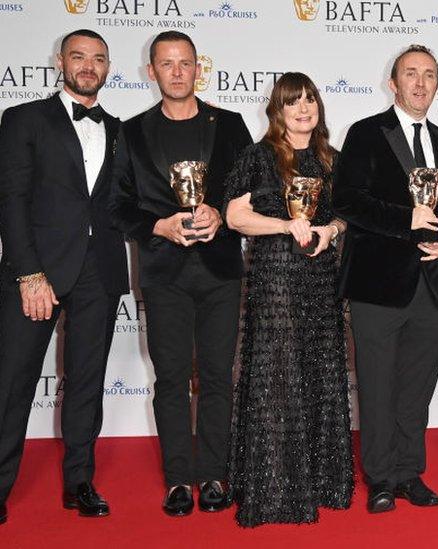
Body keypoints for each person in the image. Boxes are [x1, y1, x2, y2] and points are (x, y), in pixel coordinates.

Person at [109, 31, 252, 516]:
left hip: (220, 270)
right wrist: (159, 225)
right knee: (170, 379)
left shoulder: (230, 126)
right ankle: (177, 479)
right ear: (151, 71)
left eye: (185, 63)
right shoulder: (129, 132)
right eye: (166, 63)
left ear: (198, 69)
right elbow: (118, 205)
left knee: (216, 375)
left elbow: (253, 193)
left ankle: (214, 473)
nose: (176, 71)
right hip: (163, 271)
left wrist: (221, 213)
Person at [0, 29, 128, 524]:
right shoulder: (24, 118)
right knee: (12, 383)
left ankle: (80, 482)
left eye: (98, 59)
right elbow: (10, 199)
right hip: (37, 272)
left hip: (100, 272)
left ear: (109, 66)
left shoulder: (119, 129)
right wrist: (28, 272)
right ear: (60, 61)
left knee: (86, 384)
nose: (88, 66)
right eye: (79, 56)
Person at [332, 44, 438, 514]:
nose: (421, 83)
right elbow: (346, 201)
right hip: (377, 285)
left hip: (429, 287)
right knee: (377, 385)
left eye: (430, 74)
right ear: (394, 82)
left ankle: (410, 472)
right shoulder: (366, 134)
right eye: (411, 73)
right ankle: (381, 477)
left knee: (416, 387)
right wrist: (405, 220)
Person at [224, 72, 353, 526]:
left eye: (310, 100)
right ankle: (274, 487)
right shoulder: (258, 157)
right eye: (292, 102)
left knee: (319, 370)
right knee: (277, 373)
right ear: (276, 110)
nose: (303, 109)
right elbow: (236, 217)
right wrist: (285, 226)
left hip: (320, 278)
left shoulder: (332, 160)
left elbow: (345, 217)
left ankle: (322, 481)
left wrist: (329, 230)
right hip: (276, 279)